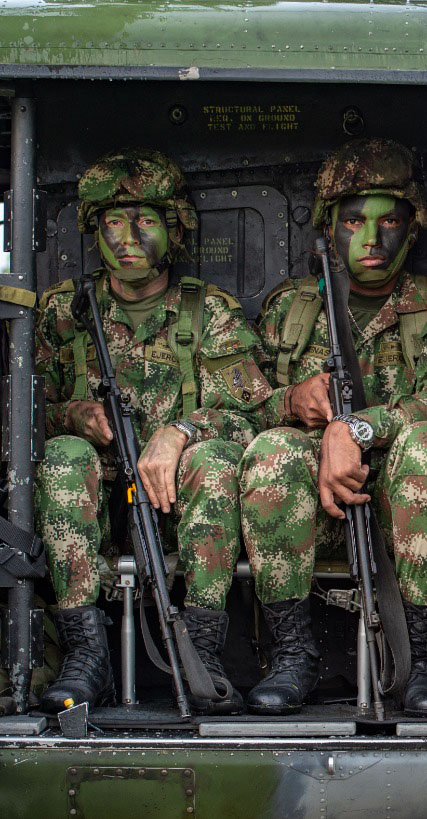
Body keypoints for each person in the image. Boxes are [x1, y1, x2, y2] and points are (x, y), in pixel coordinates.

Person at [35, 148, 272, 716]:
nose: (127, 236)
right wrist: (73, 416)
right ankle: (85, 654)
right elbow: (23, 414)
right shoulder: (64, 312)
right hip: (89, 509)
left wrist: (180, 432)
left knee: (214, 458)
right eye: (113, 222)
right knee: (64, 454)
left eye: (145, 220)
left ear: (174, 228)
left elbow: (255, 415)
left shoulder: (206, 312)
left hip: (179, 511)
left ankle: (204, 650)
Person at [240, 138, 427, 716]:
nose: (371, 239)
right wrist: (292, 402)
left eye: (388, 220)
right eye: (353, 221)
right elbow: (242, 408)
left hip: (403, 504)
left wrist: (358, 430)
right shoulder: (292, 308)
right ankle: (293, 654)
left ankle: (418, 658)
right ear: (328, 229)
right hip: (312, 508)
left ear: (412, 228)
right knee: (269, 451)